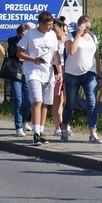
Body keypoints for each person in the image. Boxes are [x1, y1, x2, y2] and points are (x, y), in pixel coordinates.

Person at [17, 11, 62, 145]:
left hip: (47, 73)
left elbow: (55, 54)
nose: (50, 27)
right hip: (33, 72)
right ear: (40, 24)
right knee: (37, 100)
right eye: (48, 25)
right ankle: (35, 133)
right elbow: (19, 52)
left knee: (45, 103)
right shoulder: (31, 34)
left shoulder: (52, 35)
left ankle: (41, 131)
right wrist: (33, 59)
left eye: (51, 24)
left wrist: (58, 71)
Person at [61, 15, 102, 144]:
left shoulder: (93, 38)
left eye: (88, 28)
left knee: (92, 103)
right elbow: (71, 51)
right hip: (72, 74)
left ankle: (93, 132)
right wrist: (78, 34)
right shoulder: (71, 36)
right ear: (79, 26)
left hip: (89, 73)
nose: (87, 30)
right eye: (84, 27)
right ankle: (64, 128)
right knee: (70, 103)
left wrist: (99, 75)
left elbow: (96, 56)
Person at [7, 23, 31, 137]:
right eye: (22, 34)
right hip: (15, 72)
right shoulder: (12, 40)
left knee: (29, 100)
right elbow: (13, 53)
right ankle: (18, 126)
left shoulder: (31, 41)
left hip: (27, 72)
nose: (24, 37)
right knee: (18, 99)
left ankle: (24, 121)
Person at [51, 18, 69, 137]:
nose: (52, 30)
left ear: (61, 28)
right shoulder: (52, 41)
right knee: (57, 99)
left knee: (67, 100)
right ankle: (57, 126)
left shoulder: (68, 41)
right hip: (55, 70)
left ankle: (66, 124)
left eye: (55, 28)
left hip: (68, 69)